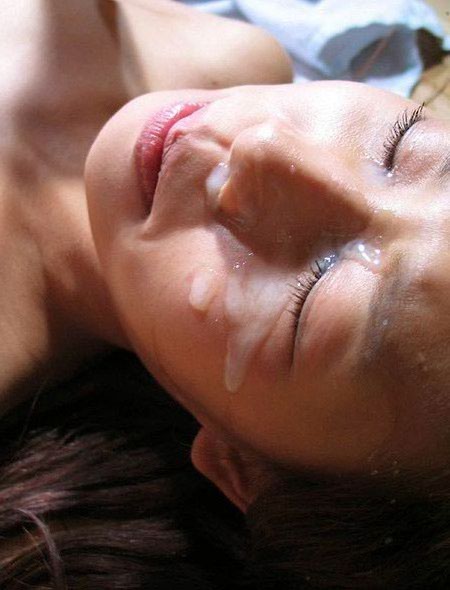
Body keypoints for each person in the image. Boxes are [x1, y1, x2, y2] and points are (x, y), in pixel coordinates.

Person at [2, 0, 450, 588]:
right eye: (400, 148)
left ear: (241, 469)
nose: (265, 147)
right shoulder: (230, 55)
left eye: (312, 293)